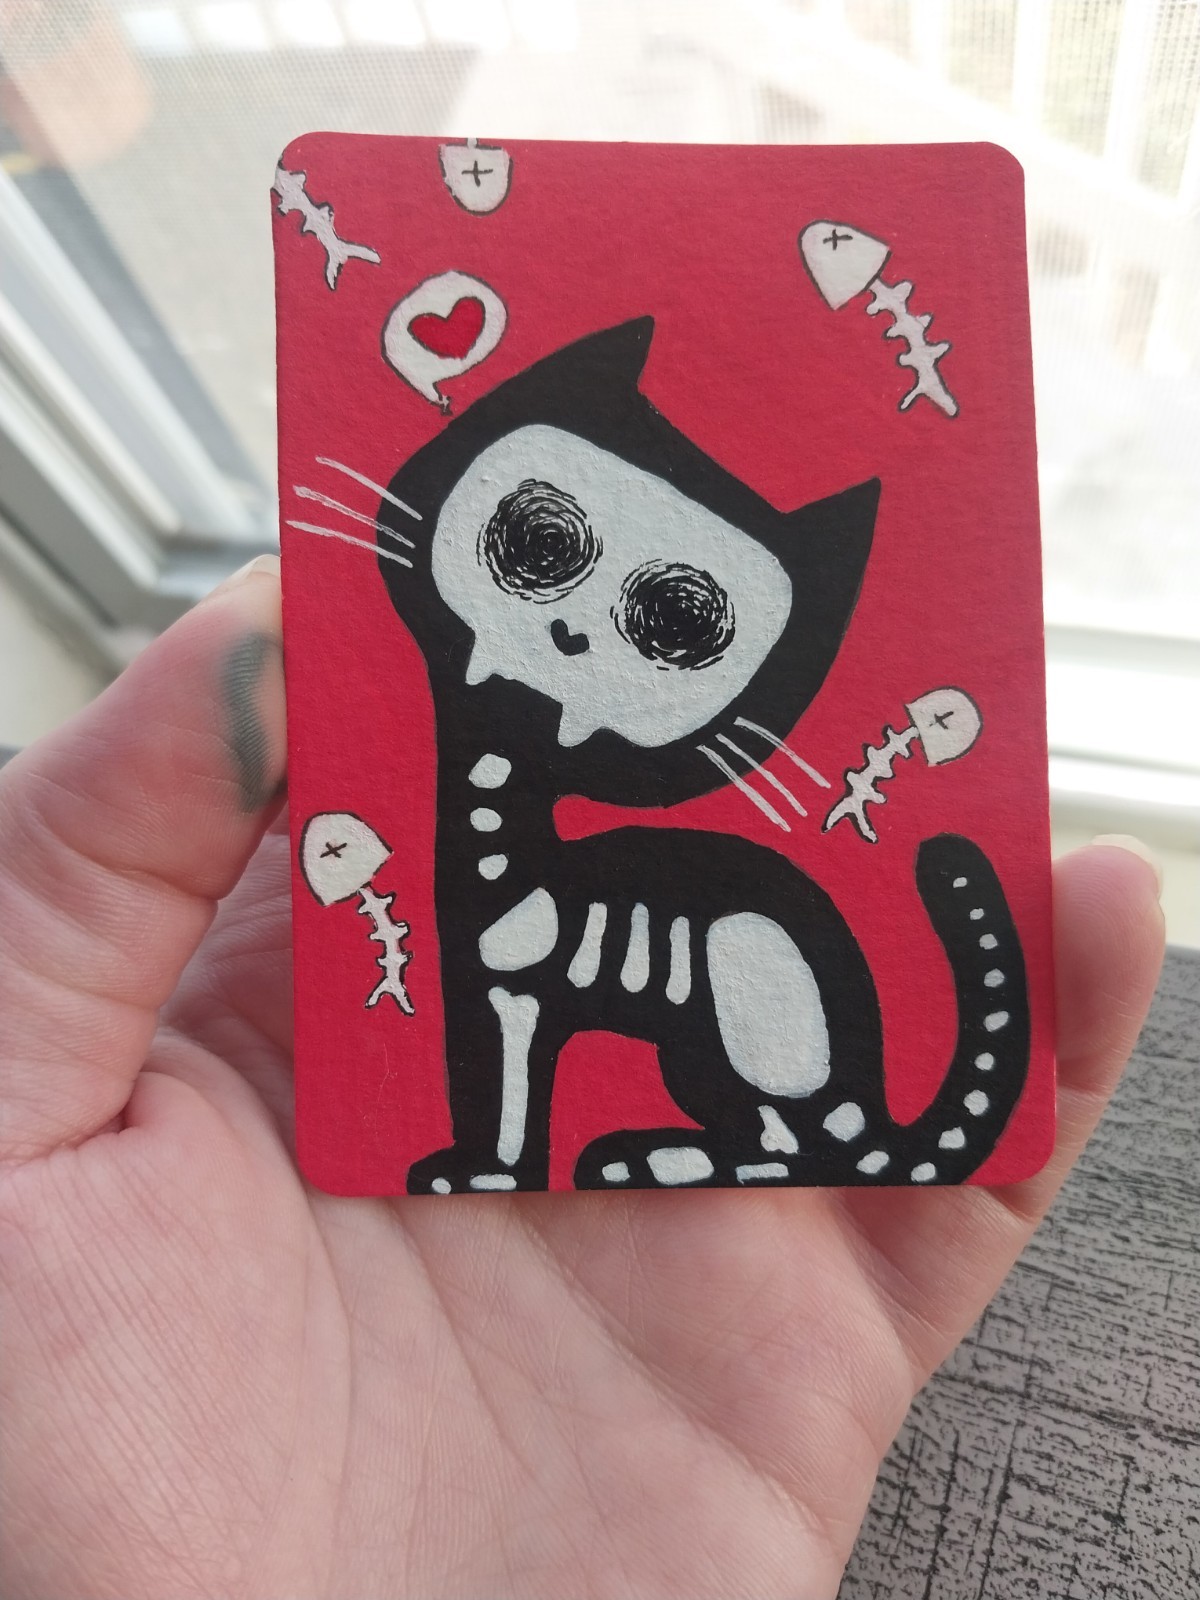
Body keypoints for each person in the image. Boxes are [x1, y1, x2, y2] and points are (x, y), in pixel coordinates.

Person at [0, 555, 1165, 1600]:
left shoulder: (550, 863)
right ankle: (697, 1132)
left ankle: (764, 1128)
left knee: (694, 979)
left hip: (787, 1049)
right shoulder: (502, 856)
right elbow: (515, 1017)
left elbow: (526, 1009)